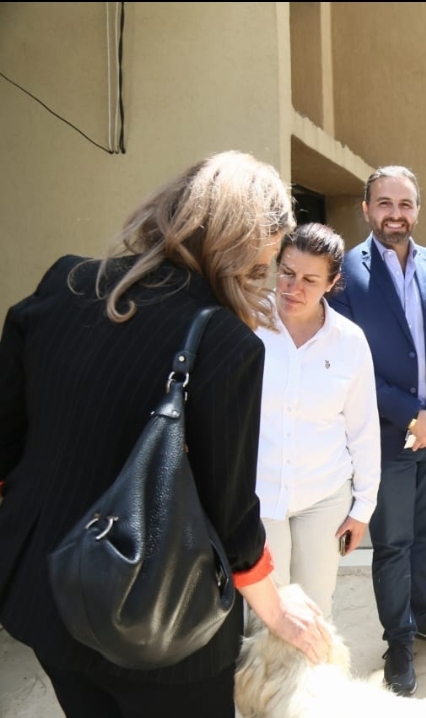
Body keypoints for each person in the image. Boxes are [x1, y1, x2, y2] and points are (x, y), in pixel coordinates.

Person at [0, 150, 332, 718]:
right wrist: (276, 611)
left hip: (46, 593)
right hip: (162, 623)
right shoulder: (226, 342)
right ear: (253, 245)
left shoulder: (65, 280)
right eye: (271, 256)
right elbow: (230, 514)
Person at [328, 165, 426, 697]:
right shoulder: (344, 274)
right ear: (366, 209)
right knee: (393, 543)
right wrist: (413, 416)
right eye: (385, 203)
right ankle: (398, 639)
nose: (396, 214)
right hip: (386, 436)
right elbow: (349, 364)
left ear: (417, 209)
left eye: (406, 204)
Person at [255, 222, 381, 617]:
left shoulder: (349, 341)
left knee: (314, 612)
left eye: (310, 280)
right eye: (287, 273)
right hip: (257, 496)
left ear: (332, 282)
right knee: (265, 616)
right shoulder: (246, 323)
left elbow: (363, 430)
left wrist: (363, 507)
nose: (294, 288)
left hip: (323, 497)